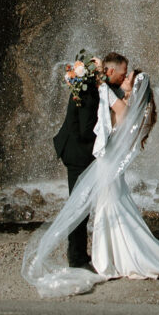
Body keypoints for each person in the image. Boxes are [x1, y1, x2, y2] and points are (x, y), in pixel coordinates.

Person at [24, 68, 159, 297]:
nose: (123, 78)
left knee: (106, 210)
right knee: (107, 210)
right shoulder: (122, 103)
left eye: (127, 77)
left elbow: (110, 122)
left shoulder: (123, 106)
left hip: (106, 166)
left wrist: (94, 77)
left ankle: (108, 258)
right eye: (125, 75)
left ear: (136, 88)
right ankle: (105, 256)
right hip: (104, 165)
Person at [52, 52, 128, 267]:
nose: (123, 79)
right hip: (77, 152)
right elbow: (85, 130)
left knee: (81, 203)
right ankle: (76, 257)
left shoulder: (96, 87)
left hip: (80, 150)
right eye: (122, 74)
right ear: (110, 71)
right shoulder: (88, 90)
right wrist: (107, 141)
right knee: (79, 205)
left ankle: (80, 253)